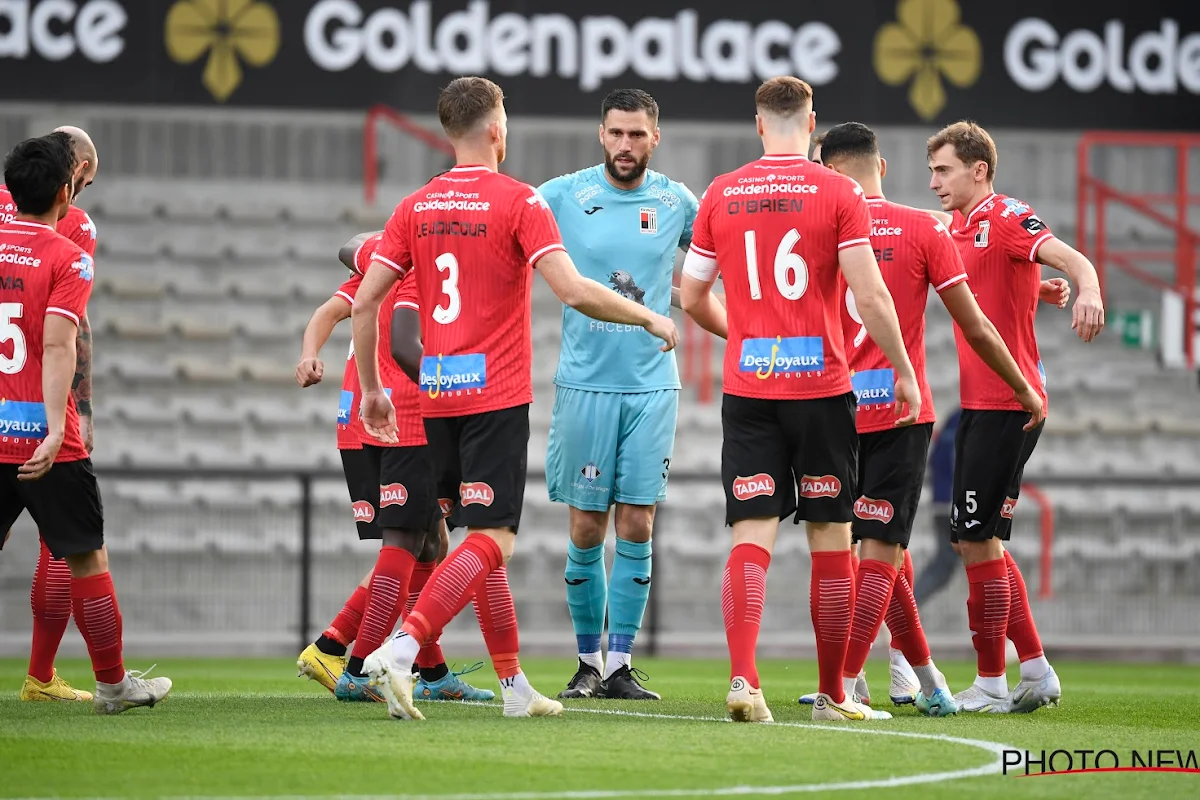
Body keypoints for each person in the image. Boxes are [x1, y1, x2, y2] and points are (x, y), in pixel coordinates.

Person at [351, 76, 678, 721]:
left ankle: (513, 685)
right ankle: (404, 645)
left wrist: (371, 389)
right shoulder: (519, 201)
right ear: (497, 129)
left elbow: (365, 301)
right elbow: (575, 291)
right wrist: (650, 319)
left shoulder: (414, 205)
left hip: (435, 395)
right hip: (494, 397)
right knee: (494, 536)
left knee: (469, 540)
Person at [680, 76, 919, 723]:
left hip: (751, 388)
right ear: (811, 122)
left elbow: (691, 296)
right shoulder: (840, 191)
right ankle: (834, 696)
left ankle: (742, 679)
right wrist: (903, 371)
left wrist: (749, 336)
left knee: (751, 535)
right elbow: (870, 296)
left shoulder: (721, 192)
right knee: (830, 539)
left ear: (759, 124)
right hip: (821, 390)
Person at [794, 121, 1048, 717]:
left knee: (873, 550)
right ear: (881, 167)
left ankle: (913, 676)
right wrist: (1024, 386)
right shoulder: (921, 228)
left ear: (828, 173)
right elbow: (977, 323)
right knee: (885, 549)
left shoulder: (813, 233)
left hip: (830, 407)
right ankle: (856, 683)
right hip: (900, 411)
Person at [927, 120, 1104, 712]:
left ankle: (991, 682)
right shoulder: (959, 227)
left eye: (944, 170)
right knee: (983, 544)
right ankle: (1034, 670)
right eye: (932, 171)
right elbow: (1000, 280)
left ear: (979, 170)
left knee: (972, 542)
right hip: (986, 403)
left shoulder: (1004, 214)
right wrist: (1038, 291)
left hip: (1009, 402)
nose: (935, 182)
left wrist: (1085, 287)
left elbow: (1070, 256)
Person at [0, 132, 171, 713]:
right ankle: (113, 686)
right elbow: (57, 344)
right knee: (86, 557)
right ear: (66, 189)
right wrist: (55, 428)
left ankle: (53, 676)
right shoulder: (66, 254)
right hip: (45, 438)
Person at [536, 88, 698, 701]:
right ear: (600, 134)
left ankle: (620, 664)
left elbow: (715, 267)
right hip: (585, 385)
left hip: (653, 386)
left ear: (655, 137)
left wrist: (676, 304)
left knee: (637, 520)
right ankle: (586, 663)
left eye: (637, 134)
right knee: (585, 528)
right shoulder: (561, 195)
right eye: (615, 133)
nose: (625, 145)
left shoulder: (678, 202)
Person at [294, 233, 494, 704]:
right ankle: (356, 663)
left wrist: (309, 355)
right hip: (402, 417)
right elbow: (404, 343)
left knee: (431, 542)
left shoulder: (385, 259)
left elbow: (345, 259)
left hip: (363, 417)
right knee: (406, 543)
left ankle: (429, 668)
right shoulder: (416, 265)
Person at [1, 126, 99, 703]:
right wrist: (78, 408)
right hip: (37, 413)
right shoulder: (75, 231)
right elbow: (68, 331)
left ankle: (43, 676)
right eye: (86, 173)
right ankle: (43, 676)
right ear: (75, 173)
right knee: (66, 544)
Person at [914, 407, 962, 605]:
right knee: (988, 565)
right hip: (962, 504)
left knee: (944, 566)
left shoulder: (955, 417)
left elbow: (935, 459)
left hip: (943, 503)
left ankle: (902, 615)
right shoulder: (976, 417)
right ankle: (901, 615)